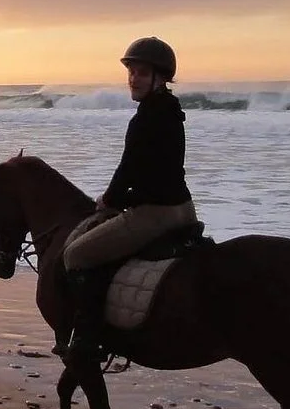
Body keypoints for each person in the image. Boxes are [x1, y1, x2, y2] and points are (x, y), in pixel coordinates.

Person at [61, 36, 196, 344]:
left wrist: (108, 200)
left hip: (156, 213)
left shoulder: (147, 117)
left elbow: (129, 169)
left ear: (160, 78)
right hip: (184, 209)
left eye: (142, 73)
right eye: (131, 72)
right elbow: (156, 170)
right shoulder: (172, 109)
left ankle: (89, 339)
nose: (134, 80)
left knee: (76, 256)